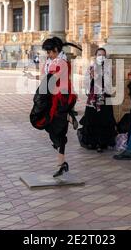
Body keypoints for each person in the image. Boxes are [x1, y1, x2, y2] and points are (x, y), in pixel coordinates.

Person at [29, 37, 81, 177]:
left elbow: (52, 80)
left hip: (59, 99)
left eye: (49, 52)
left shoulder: (60, 62)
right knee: (57, 131)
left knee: (54, 127)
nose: (48, 54)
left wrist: (40, 93)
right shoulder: (58, 61)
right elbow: (48, 78)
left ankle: (68, 117)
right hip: (58, 98)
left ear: (56, 50)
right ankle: (61, 164)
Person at [79, 48, 117, 153]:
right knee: (92, 118)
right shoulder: (91, 67)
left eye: (103, 55)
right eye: (99, 54)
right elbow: (86, 82)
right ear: (95, 56)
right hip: (93, 98)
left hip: (104, 97)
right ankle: (92, 142)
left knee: (103, 119)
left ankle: (102, 143)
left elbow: (109, 83)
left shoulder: (109, 68)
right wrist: (91, 77)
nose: (101, 56)